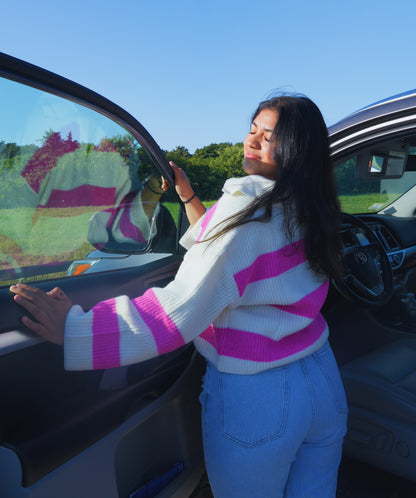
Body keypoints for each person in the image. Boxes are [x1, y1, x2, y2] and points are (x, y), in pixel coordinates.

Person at [10, 94, 347, 497]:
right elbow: (236, 256)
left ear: (296, 149)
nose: (251, 141)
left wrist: (78, 329)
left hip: (262, 398)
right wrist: (189, 198)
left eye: (268, 137)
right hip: (323, 381)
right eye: (252, 129)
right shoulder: (310, 207)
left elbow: (181, 310)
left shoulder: (248, 208)